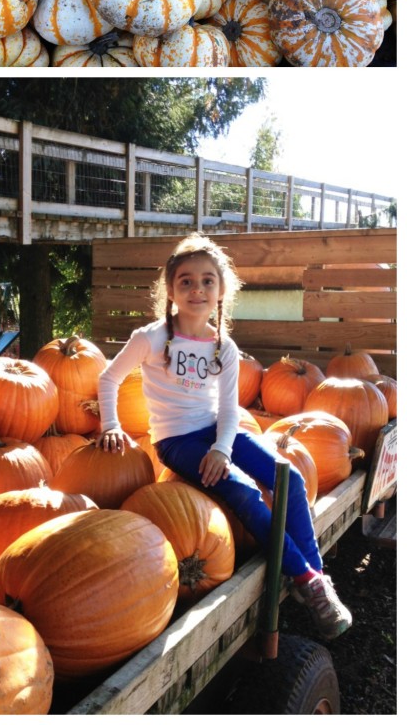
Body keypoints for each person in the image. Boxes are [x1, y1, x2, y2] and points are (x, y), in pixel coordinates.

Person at [96, 232, 352, 639]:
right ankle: (306, 580)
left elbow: (231, 409)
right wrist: (111, 425)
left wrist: (221, 447)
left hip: (216, 431)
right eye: (186, 281)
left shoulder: (224, 347)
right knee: (243, 491)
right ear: (171, 289)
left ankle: (317, 581)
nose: (197, 288)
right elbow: (109, 379)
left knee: (291, 479)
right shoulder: (151, 338)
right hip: (177, 440)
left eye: (207, 280)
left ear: (221, 290)